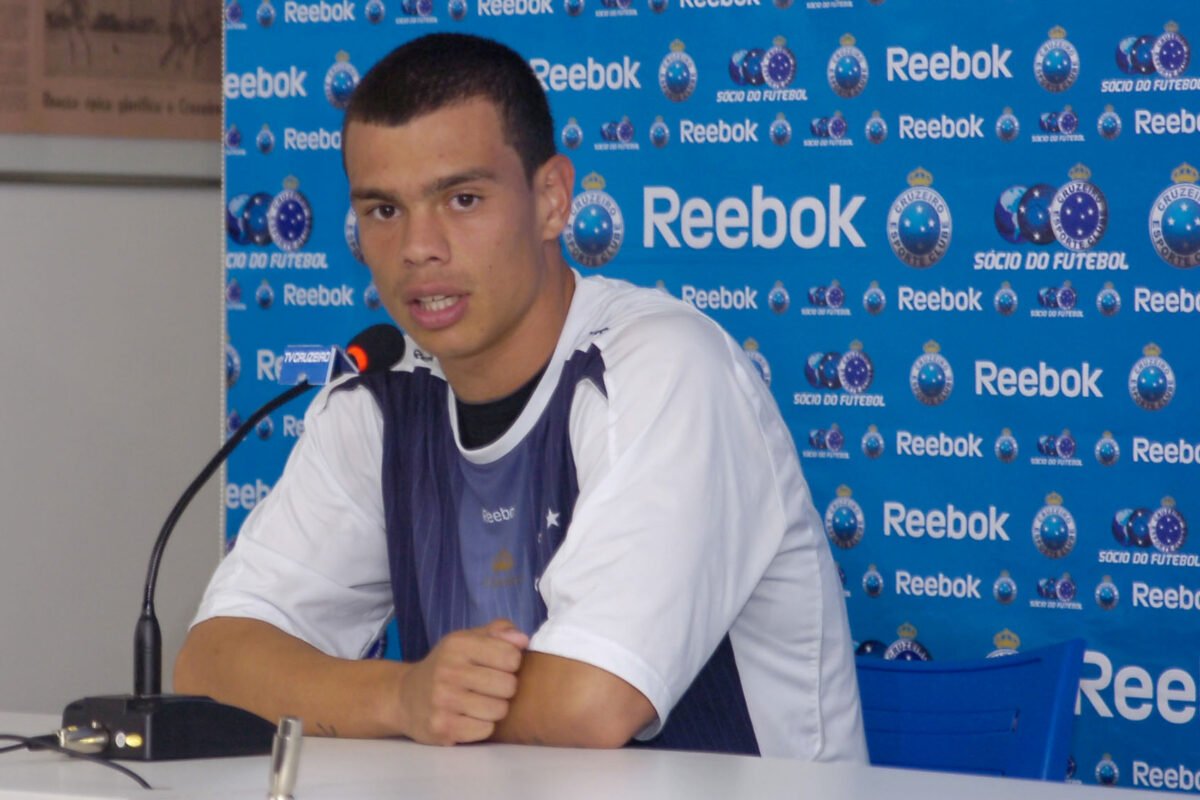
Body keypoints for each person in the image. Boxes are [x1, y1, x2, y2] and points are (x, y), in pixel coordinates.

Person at [176, 32, 866, 760]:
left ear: (552, 200)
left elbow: (591, 701)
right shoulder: (381, 398)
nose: (419, 247)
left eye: (463, 198)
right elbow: (212, 665)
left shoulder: (660, 365)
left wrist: (384, 698)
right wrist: (402, 697)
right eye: (384, 211)